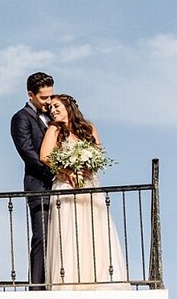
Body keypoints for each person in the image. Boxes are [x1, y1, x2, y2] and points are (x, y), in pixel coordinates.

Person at [38, 94, 129, 290]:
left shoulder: (88, 128)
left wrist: (88, 167)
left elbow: (98, 153)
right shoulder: (54, 130)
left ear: (68, 106)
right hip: (66, 187)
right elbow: (45, 156)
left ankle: (98, 279)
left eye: (56, 106)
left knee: (93, 229)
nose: (52, 110)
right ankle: (69, 281)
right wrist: (66, 170)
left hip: (88, 186)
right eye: (50, 108)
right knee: (69, 231)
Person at [10, 71, 56, 289]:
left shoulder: (54, 116)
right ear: (31, 95)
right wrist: (56, 171)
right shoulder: (20, 118)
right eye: (43, 98)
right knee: (41, 235)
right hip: (38, 184)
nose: (48, 102)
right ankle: (37, 287)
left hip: (60, 186)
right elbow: (28, 153)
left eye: (50, 96)